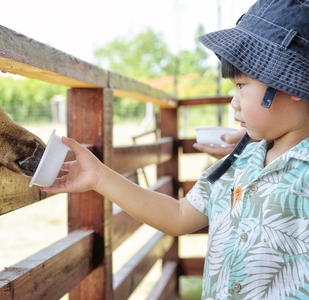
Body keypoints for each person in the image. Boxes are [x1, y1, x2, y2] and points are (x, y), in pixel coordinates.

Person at [41, 0, 309, 298]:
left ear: (289, 83)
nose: (234, 101)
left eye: (241, 85)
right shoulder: (237, 163)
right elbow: (180, 215)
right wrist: (99, 177)